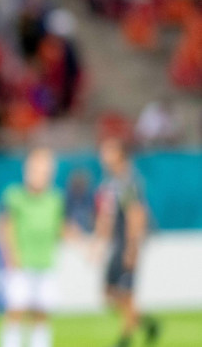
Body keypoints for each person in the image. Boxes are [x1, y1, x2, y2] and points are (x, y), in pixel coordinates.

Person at [0, 147, 65, 347]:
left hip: (45, 262)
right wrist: (9, 255)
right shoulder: (14, 195)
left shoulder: (55, 198)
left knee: (42, 312)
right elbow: (3, 226)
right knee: (16, 309)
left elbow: (59, 227)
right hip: (20, 262)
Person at [94, 138, 159, 347]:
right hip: (117, 244)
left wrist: (132, 248)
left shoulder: (128, 181)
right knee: (109, 294)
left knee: (127, 294)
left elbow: (136, 214)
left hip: (127, 244)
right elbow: (107, 216)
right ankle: (148, 324)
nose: (103, 156)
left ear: (119, 154)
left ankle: (125, 340)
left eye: (108, 151)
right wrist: (99, 242)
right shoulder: (110, 182)